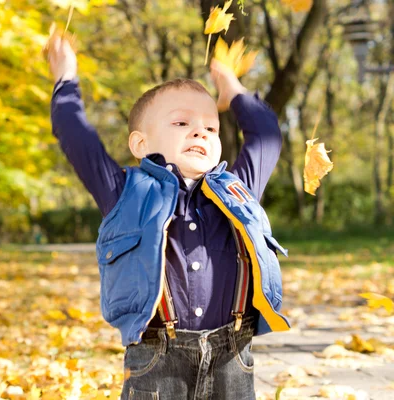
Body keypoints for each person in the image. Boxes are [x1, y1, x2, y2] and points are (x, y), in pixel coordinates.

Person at [46, 33, 289, 400]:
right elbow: (77, 136)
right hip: (157, 357)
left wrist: (232, 88)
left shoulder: (240, 190)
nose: (200, 132)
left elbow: (266, 135)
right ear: (141, 144)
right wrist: (66, 77)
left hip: (232, 358)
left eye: (211, 127)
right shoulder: (125, 191)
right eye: (181, 124)